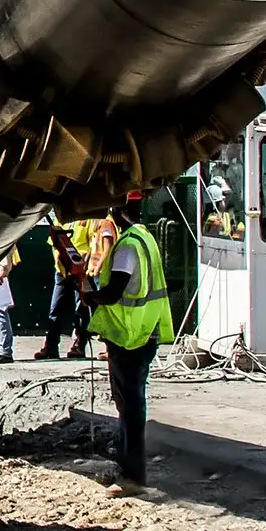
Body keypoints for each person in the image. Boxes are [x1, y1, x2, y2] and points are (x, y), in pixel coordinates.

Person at [82, 204, 177, 496]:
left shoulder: (126, 247)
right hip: (145, 333)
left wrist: (90, 296)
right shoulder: (145, 237)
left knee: (130, 409)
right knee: (132, 406)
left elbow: (115, 292)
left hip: (129, 337)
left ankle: (132, 476)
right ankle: (130, 470)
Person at [37, 216, 94, 359]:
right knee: (55, 309)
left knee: (81, 310)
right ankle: (51, 346)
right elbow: (54, 243)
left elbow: (92, 245)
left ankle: (79, 345)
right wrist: (60, 260)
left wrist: (82, 265)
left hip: (81, 271)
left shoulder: (89, 220)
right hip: (62, 270)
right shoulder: (61, 220)